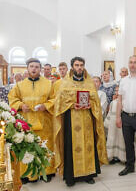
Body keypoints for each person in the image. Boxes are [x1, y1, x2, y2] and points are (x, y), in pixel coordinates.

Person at [53, 57, 108, 187]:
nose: (79, 67)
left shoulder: (89, 83)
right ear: (72, 67)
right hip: (71, 120)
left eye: (81, 65)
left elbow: (96, 102)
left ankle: (89, 174)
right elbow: (59, 103)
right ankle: (71, 177)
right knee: (72, 147)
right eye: (77, 65)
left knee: (89, 145)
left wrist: (90, 105)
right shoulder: (65, 83)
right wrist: (72, 105)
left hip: (87, 120)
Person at [8, 58, 56, 183]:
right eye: (31, 66)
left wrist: (46, 106)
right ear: (27, 68)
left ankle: (47, 172)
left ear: (40, 69)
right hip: (26, 122)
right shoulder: (19, 85)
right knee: (26, 147)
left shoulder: (48, 84)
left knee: (45, 146)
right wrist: (20, 105)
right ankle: (26, 174)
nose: (34, 69)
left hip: (44, 121)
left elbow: (55, 99)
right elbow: (12, 99)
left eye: (36, 67)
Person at [104, 86, 126, 164]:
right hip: (112, 125)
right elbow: (109, 113)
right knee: (112, 139)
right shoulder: (113, 102)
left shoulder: (125, 102)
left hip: (121, 124)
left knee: (121, 139)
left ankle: (122, 157)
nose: (117, 92)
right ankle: (112, 156)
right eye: (116, 91)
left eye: (118, 90)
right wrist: (107, 123)